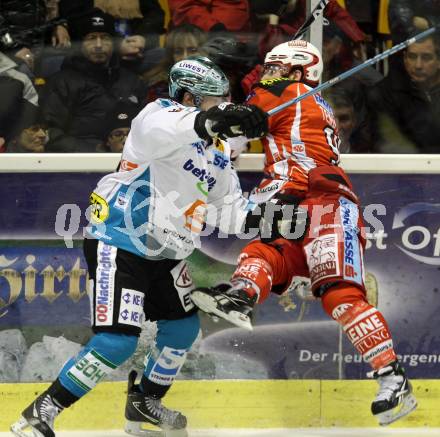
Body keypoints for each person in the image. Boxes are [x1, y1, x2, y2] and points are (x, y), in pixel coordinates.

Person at [11, 55, 271, 437]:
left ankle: (145, 405)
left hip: (168, 251)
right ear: (189, 96)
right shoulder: (156, 116)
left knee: (181, 330)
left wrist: (271, 216)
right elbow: (184, 126)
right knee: (117, 342)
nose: (222, 107)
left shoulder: (216, 154)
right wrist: (221, 118)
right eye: (215, 100)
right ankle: (41, 412)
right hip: (120, 239)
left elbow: (228, 215)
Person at [191, 40, 418, 426]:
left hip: (322, 200)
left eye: (274, 66)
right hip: (291, 196)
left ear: (296, 72)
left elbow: (241, 119)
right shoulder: (301, 95)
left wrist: (213, 115)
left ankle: (392, 377)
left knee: (340, 296)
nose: (267, 73)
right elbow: (256, 109)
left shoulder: (286, 90)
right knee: (265, 252)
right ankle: (241, 297)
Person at [39, 8, 146, 152]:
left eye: (105, 38)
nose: (99, 45)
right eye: (91, 38)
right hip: (79, 164)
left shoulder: (132, 81)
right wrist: (94, 151)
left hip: (128, 161)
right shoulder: (62, 82)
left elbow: (147, 129)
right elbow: (49, 132)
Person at [368, 35, 440, 153]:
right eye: (412, 57)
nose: (418, 65)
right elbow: (385, 144)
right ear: (405, 60)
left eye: (426, 57)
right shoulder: (386, 92)